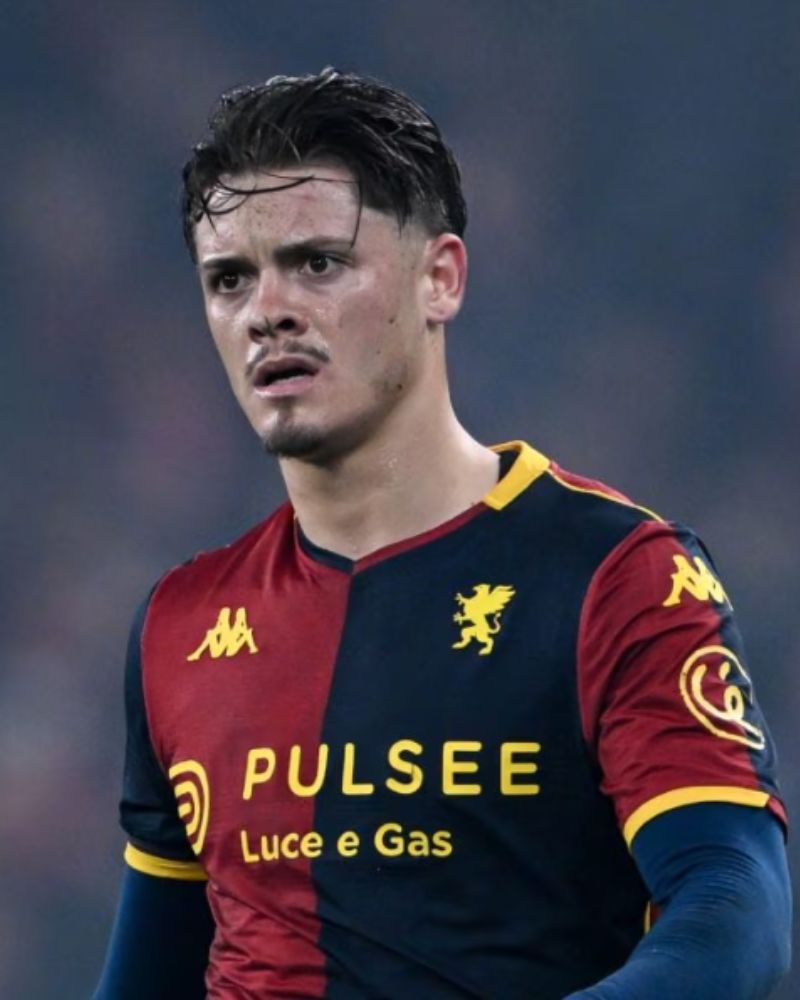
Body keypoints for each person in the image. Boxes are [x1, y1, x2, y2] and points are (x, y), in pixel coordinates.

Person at [95, 68, 791, 1000]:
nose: (267, 311)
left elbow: (735, 914)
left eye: (318, 263)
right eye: (230, 279)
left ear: (441, 277)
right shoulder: (180, 623)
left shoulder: (617, 579)